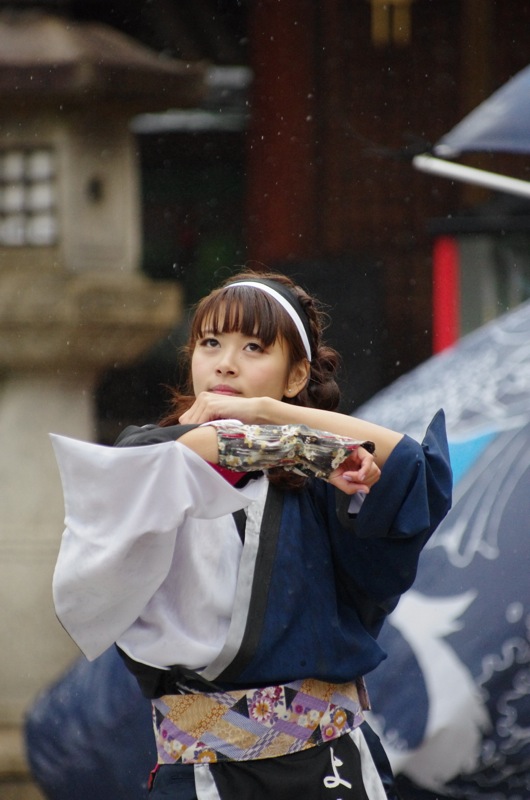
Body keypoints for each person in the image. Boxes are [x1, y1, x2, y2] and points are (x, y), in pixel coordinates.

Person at [51, 270, 452, 800]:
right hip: (202, 776)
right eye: (210, 343)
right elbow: (189, 451)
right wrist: (301, 445)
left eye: (254, 347)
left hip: (331, 768)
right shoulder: (152, 460)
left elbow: (409, 469)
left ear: (295, 375)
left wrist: (271, 413)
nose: (225, 362)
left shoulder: (321, 486)